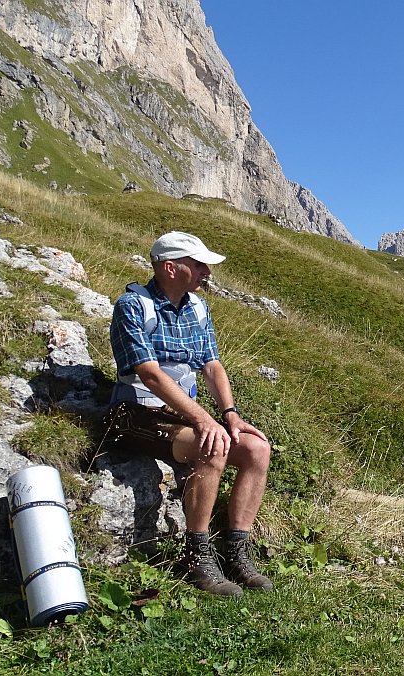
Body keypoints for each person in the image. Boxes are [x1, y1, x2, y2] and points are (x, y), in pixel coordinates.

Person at [105, 231, 273, 597]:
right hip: (134, 413)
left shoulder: (197, 307)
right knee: (211, 447)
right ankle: (196, 555)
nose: (206, 272)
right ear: (170, 267)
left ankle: (237, 551)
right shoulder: (133, 306)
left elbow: (212, 364)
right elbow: (149, 374)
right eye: (198, 265)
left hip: (179, 412)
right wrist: (202, 419)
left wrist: (229, 413)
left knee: (257, 450)